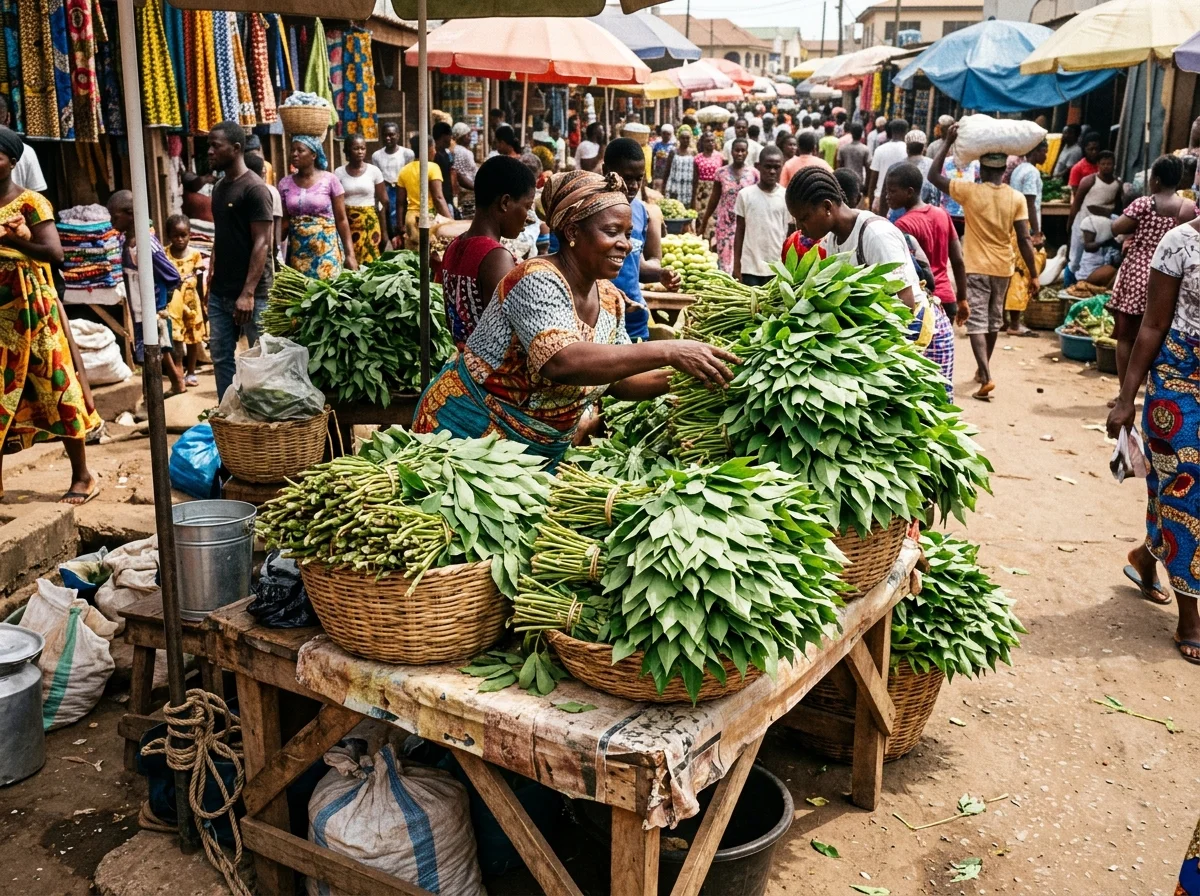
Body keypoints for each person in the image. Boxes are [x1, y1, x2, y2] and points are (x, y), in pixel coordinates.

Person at [410, 169, 738, 466]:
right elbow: (561, 360)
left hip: (531, 453)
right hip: (464, 436)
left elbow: (620, 381)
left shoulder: (609, 298)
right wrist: (670, 350)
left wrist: (699, 373)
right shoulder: (536, 279)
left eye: (628, 233)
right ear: (572, 231)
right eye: (612, 231)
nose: (625, 245)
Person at [1106, 217, 1200, 664]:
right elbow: (1152, 324)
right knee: (1186, 493)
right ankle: (1191, 617)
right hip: (1179, 382)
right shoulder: (1179, 243)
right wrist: (1126, 398)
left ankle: (1146, 557)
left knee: (1176, 491)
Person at [789, 164, 957, 398]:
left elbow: (905, 303)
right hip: (889, 338)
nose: (799, 228)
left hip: (920, 334)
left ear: (827, 207)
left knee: (930, 410)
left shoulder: (875, 234)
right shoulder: (833, 241)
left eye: (804, 218)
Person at [0, 129, 98, 503]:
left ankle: (82, 475)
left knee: (55, 384)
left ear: (12, 161)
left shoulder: (32, 203)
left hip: (32, 311)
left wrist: (12, 240)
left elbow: (55, 254)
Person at [929, 127, 1039, 401]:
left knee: (977, 322)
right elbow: (1025, 239)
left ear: (982, 171)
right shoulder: (1016, 197)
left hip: (976, 266)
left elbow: (933, 176)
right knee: (993, 321)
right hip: (1003, 268)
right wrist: (1034, 274)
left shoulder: (970, 192)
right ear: (1003, 171)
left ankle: (986, 375)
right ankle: (983, 370)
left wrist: (947, 142)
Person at [206, 121, 274, 402]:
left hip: (253, 295)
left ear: (235, 149)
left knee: (261, 360)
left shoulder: (256, 190)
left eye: (215, 146)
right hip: (221, 291)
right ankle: (227, 411)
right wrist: (211, 273)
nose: (210, 151)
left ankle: (262, 414)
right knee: (221, 357)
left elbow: (262, 243)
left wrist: (247, 293)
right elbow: (221, 235)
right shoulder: (219, 188)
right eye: (209, 146)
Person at [438, 156, 537, 349]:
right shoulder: (495, 256)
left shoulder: (454, 246)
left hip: (463, 360)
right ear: (505, 202)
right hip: (491, 366)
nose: (527, 217)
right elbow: (517, 332)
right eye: (527, 206)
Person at [599, 138, 680, 339]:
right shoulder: (589, 212)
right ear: (606, 171)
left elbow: (637, 266)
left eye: (639, 178)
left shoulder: (640, 211)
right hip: (599, 318)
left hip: (635, 319)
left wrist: (660, 274)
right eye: (627, 178)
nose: (634, 186)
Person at [108, 192, 188, 398]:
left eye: (115, 217)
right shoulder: (127, 241)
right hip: (139, 308)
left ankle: (150, 399)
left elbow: (172, 275)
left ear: (130, 213)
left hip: (150, 310)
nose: (111, 222)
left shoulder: (146, 244)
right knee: (154, 348)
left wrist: (160, 304)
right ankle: (173, 384)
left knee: (150, 352)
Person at [887, 163, 968, 326]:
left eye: (892, 191)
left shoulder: (903, 225)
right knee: (943, 343)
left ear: (909, 192)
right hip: (947, 298)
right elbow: (958, 261)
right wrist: (962, 299)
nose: (887, 196)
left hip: (923, 300)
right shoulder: (942, 214)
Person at [279, 136, 356, 279]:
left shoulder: (330, 180)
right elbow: (284, 222)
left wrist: (350, 254)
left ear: (313, 155)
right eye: (292, 150)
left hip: (326, 251)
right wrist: (274, 249)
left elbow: (342, 220)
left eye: (300, 150)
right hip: (298, 252)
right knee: (302, 290)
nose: (294, 154)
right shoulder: (285, 183)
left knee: (327, 289)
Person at [1004, 141, 1050, 335]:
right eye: (1044, 152)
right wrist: (1036, 232)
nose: (1046, 156)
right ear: (1035, 151)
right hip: (1025, 225)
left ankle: (1004, 320)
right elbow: (1030, 203)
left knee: (1012, 270)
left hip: (1014, 224)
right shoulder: (1031, 172)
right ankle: (1015, 324)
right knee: (1022, 272)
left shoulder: (1019, 169)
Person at [701, 138, 759, 274]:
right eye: (737, 150)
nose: (739, 153)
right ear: (731, 152)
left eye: (743, 151)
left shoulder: (754, 174)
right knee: (725, 261)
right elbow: (714, 199)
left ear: (747, 153)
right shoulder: (721, 173)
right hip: (725, 224)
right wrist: (704, 221)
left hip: (746, 223)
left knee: (743, 258)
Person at [734, 146, 789, 287]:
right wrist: (736, 265)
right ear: (758, 166)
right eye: (768, 167)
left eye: (776, 167)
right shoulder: (745, 195)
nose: (772, 171)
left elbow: (791, 233)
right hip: (750, 267)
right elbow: (739, 231)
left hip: (777, 266)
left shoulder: (786, 196)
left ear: (782, 167)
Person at [163, 214, 206, 387]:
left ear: (189, 234)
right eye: (176, 236)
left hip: (192, 302)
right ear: (169, 236)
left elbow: (200, 281)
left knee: (193, 337)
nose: (180, 239)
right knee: (176, 336)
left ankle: (192, 371)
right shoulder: (165, 254)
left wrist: (203, 303)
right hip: (173, 302)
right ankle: (178, 369)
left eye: (184, 235)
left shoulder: (195, 255)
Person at [335, 134, 389, 265]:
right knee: (349, 261)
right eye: (356, 148)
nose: (360, 151)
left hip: (369, 224)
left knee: (370, 262)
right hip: (347, 224)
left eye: (363, 148)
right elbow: (336, 203)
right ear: (347, 150)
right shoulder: (339, 173)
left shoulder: (374, 171)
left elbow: (384, 201)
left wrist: (384, 231)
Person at [1068, 150, 1122, 277]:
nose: (1106, 167)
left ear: (1114, 165)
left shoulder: (1117, 184)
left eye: (1109, 164)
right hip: (1083, 222)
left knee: (1096, 258)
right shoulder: (1089, 181)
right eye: (1103, 164)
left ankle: (1087, 282)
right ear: (1098, 164)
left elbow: (1118, 205)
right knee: (1075, 259)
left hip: (1101, 227)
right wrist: (1070, 224)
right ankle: (1068, 283)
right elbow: (1076, 204)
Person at [397, 135, 454, 250]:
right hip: (428, 218)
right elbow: (438, 198)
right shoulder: (432, 168)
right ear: (429, 149)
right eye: (434, 148)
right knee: (431, 253)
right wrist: (450, 221)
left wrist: (400, 226)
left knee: (414, 255)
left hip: (410, 219)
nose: (435, 152)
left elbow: (400, 202)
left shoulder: (404, 170)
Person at [372, 122, 414, 232]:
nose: (388, 138)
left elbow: (409, 173)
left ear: (398, 135)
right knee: (387, 220)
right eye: (385, 135)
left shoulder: (407, 153)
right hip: (386, 191)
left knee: (403, 218)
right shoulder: (377, 156)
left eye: (391, 135)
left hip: (403, 190)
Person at [868, 119, 911, 213]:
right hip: (901, 199)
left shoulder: (880, 150)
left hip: (879, 197)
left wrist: (871, 203)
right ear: (906, 132)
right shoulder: (908, 151)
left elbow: (873, 179)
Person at [693, 131, 723, 226]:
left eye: (712, 141)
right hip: (701, 191)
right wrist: (693, 199)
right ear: (703, 143)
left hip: (716, 189)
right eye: (707, 141)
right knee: (701, 216)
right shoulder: (697, 158)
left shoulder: (720, 157)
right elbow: (695, 180)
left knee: (714, 218)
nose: (710, 143)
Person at [663, 125, 697, 207]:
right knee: (674, 208)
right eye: (683, 138)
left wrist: (694, 192)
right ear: (679, 139)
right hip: (674, 186)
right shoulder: (673, 152)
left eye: (687, 138)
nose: (685, 140)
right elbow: (667, 170)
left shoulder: (693, 153)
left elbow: (695, 173)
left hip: (687, 188)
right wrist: (663, 187)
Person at [450, 123, 479, 218]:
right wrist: (476, 188)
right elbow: (460, 175)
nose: (470, 138)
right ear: (461, 137)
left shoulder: (454, 150)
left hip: (462, 192)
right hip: (467, 191)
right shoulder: (465, 152)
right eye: (468, 135)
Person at [836, 122, 869, 194]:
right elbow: (868, 169)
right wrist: (866, 186)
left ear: (851, 133)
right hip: (859, 181)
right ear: (861, 134)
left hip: (845, 180)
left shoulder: (843, 148)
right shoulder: (865, 149)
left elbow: (838, 166)